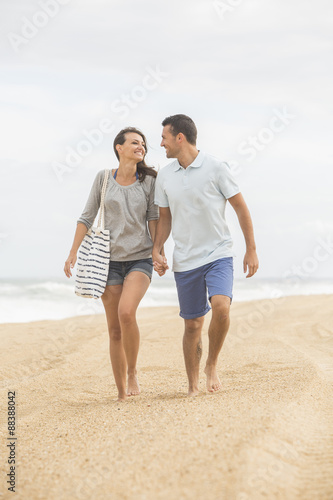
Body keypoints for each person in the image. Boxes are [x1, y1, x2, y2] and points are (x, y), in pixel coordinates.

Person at [153, 114, 259, 396]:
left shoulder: (215, 167)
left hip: (218, 252)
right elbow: (165, 218)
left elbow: (240, 208)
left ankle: (211, 363)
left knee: (222, 307)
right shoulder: (164, 175)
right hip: (186, 260)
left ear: (180, 137)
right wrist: (157, 248)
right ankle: (192, 385)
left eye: (164, 137)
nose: (160, 143)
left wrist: (251, 248)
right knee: (192, 325)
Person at [64, 127, 159, 401]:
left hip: (140, 258)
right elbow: (86, 217)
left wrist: (157, 251)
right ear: (119, 147)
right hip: (108, 262)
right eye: (134, 142)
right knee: (114, 329)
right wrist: (73, 252)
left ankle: (132, 372)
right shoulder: (104, 178)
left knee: (127, 313)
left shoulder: (149, 181)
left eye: (142, 143)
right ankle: (120, 393)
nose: (140, 146)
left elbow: (154, 218)